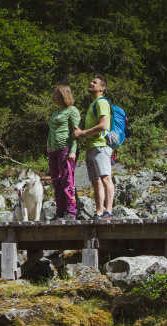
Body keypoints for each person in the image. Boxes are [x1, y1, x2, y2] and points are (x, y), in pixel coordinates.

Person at [73, 76, 115, 220]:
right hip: (92, 147)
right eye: (90, 81)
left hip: (101, 146)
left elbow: (104, 125)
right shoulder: (94, 104)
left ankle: (108, 211)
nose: (91, 83)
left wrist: (83, 132)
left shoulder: (102, 102)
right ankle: (99, 211)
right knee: (96, 181)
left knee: (105, 178)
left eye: (95, 82)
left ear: (102, 88)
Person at [47, 85, 80, 219]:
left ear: (63, 95)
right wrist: (48, 145)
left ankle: (71, 211)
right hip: (53, 151)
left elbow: (75, 132)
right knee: (56, 181)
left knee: (67, 180)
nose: (54, 97)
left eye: (56, 94)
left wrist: (73, 150)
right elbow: (50, 131)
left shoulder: (72, 110)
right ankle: (60, 211)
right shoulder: (55, 113)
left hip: (65, 149)